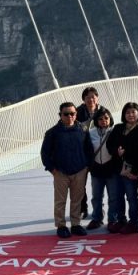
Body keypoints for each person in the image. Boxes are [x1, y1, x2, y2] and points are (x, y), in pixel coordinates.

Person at [41, 102, 94, 238]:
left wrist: (87, 166)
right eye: (66, 114)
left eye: (72, 113)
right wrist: (52, 169)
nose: (70, 116)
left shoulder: (83, 129)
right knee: (60, 200)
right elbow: (45, 153)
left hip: (80, 170)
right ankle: (61, 225)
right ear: (60, 115)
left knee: (77, 199)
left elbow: (89, 149)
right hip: (60, 172)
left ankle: (76, 224)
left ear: (76, 114)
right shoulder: (52, 132)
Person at [106, 102, 138, 234]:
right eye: (128, 112)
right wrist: (116, 151)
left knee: (131, 197)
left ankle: (134, 223)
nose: (130, 115)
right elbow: (109, 144)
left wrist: (135, 172)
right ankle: (121, 220)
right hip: (117, 169)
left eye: (133, 112)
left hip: (132, 170)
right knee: (118, 196)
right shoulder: (118, 128)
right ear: (124, 115)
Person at [87, 108, 122, 231]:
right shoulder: (91, 133)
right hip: (96, 169)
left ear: (110, 119)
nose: (103, 121)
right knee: (96, 196)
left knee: (113, 197)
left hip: (111, 169)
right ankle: (97, 218)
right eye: (100, 119)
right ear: (96, 120)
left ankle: (112, 220)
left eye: (106, 118)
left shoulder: (115, 132)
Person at [76, 86, 105, 219]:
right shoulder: (77, 112)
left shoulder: (103, 111)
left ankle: (99, 209)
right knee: (80, 183)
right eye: (87, 97)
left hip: (98, 154)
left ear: (97, 98)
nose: (90, 100)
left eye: (93, 97)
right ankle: (83, 208)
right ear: (83, 99)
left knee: (98, 184)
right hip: (82, 154)